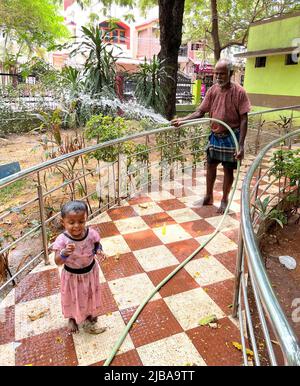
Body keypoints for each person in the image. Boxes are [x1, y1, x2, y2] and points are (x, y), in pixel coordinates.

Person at [172, 59, 251, 214]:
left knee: (228, 170)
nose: (218, 77)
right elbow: (200, 112)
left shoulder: (239, 92)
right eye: (216, 73)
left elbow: (244, 119)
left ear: (230, 73)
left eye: (222, 73)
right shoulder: (212, 91)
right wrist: (183, 120)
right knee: (210, 166)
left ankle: (224, 200)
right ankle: (208, 197)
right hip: (215, 135)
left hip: (231, 136)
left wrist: (241, 145)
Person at [52, 200, 107, 334]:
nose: (77, 226)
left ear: (86, 219)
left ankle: (88, 313)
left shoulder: (91, 233)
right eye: (71, 223)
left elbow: (96, 244)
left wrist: (99, 250)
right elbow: (57, 261)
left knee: (89, 294)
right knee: (72, 297)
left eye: (81, 222)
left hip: (90, 272)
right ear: (62, 222)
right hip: (72, 276)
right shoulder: (62, 240)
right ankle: (71, 317)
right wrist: (64, 253)